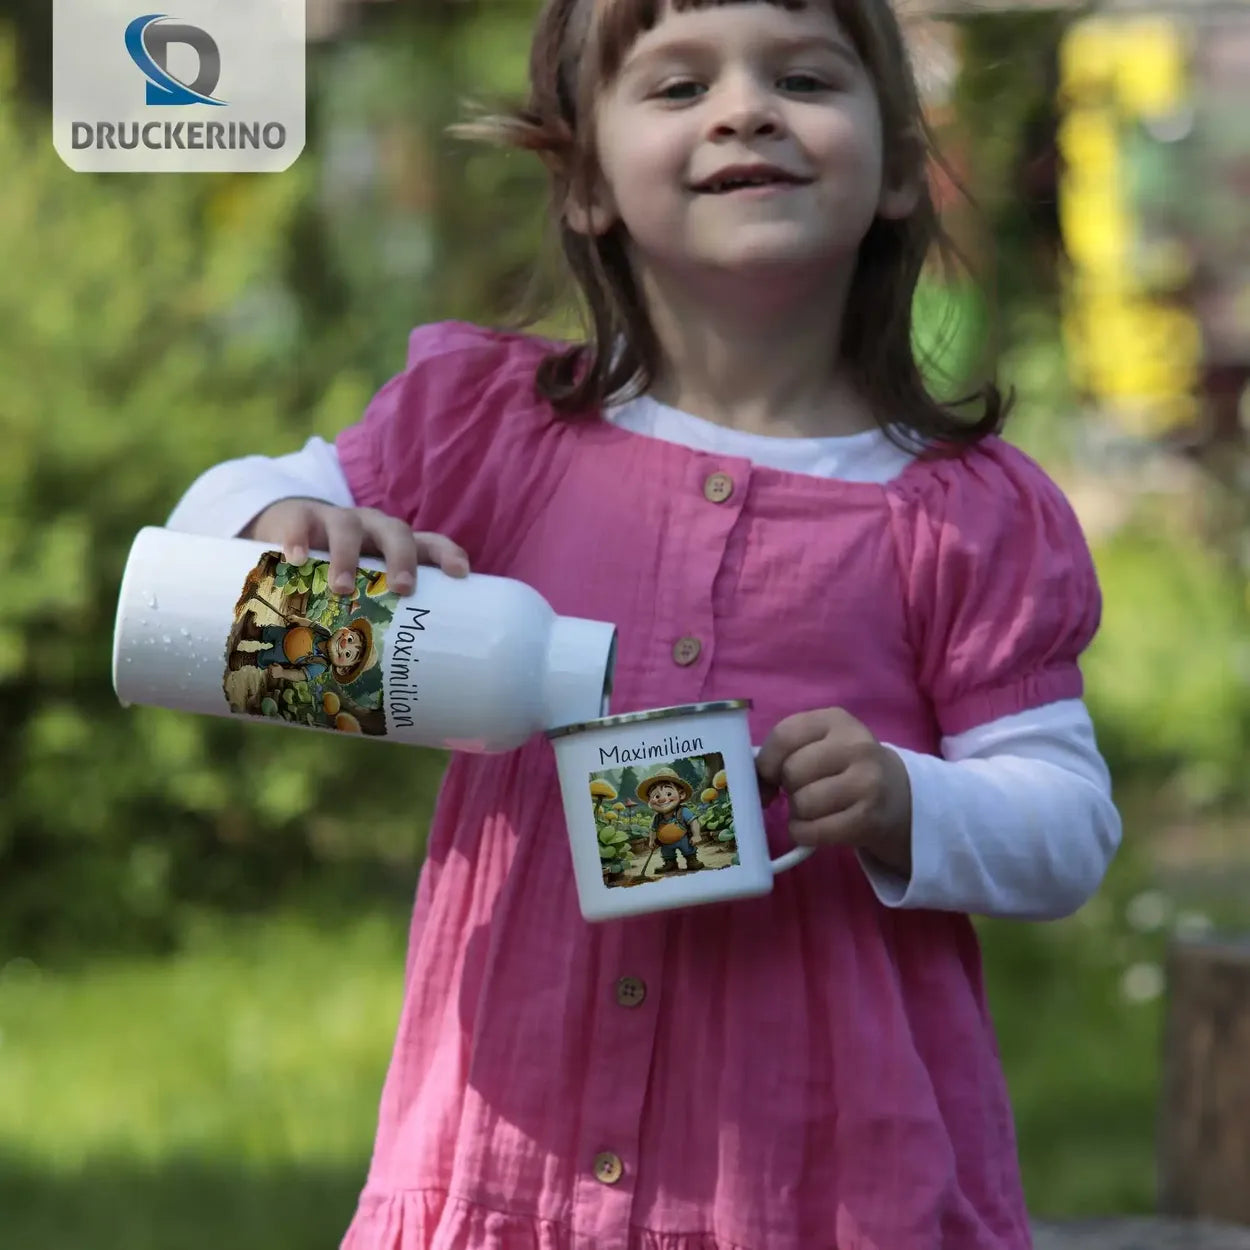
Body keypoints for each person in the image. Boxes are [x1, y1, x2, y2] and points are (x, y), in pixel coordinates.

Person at [167, 0, 1122, 1246]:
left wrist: (903, 798)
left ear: (894, 164)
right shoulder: (489, 432)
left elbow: (1066, 820)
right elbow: (196, 551)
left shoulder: (958, 512)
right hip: (511, 1160)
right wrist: (281, 521)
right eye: (676, 87)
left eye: (800, 77)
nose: (742, 108)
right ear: (585, 186)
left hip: (816, 1185)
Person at [637, 767, 704, 874]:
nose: (662, 799)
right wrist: (652, 840)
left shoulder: (683, 811)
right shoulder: (657, 817)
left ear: (681, 794)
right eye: (656, 796)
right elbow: (653, 829)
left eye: (668, 794)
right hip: (665, 843)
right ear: (650, 801)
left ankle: (691, 860)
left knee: (688, 849)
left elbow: (693, 822)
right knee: (667, 853)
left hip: (683, 839)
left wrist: (696, 835)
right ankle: (670, 862)